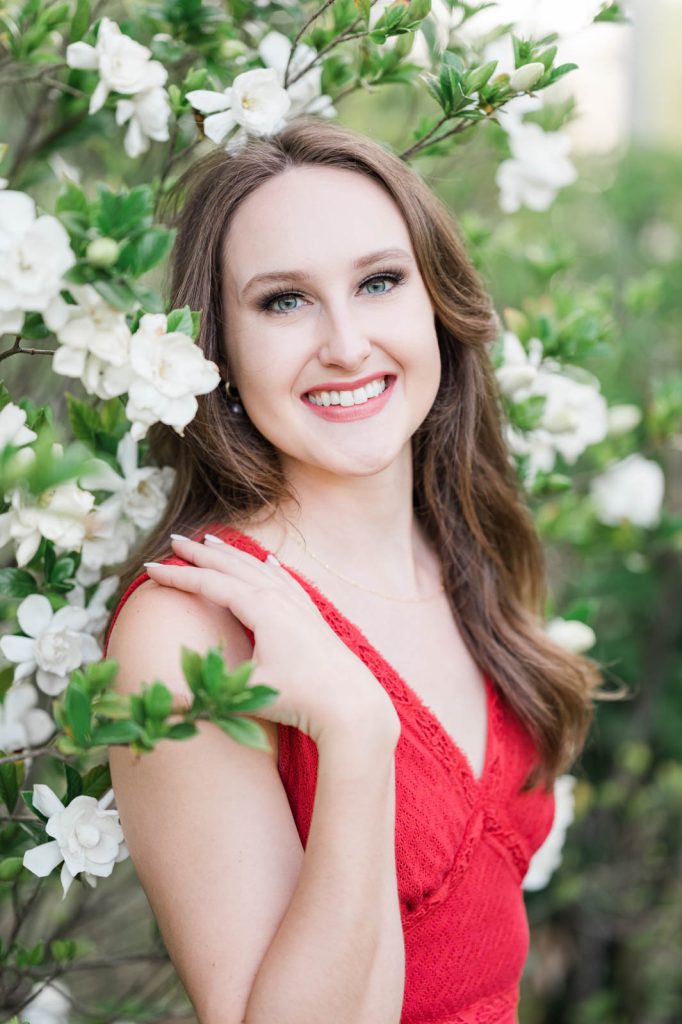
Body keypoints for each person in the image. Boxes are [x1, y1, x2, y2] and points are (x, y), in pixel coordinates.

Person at [103, 117, 606, 1024]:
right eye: (283, 301)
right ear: (217, 350)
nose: (344, 344)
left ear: (436, 303)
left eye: (379, 282)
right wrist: (357, 738)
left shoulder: (464, 547)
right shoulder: (188, 633)